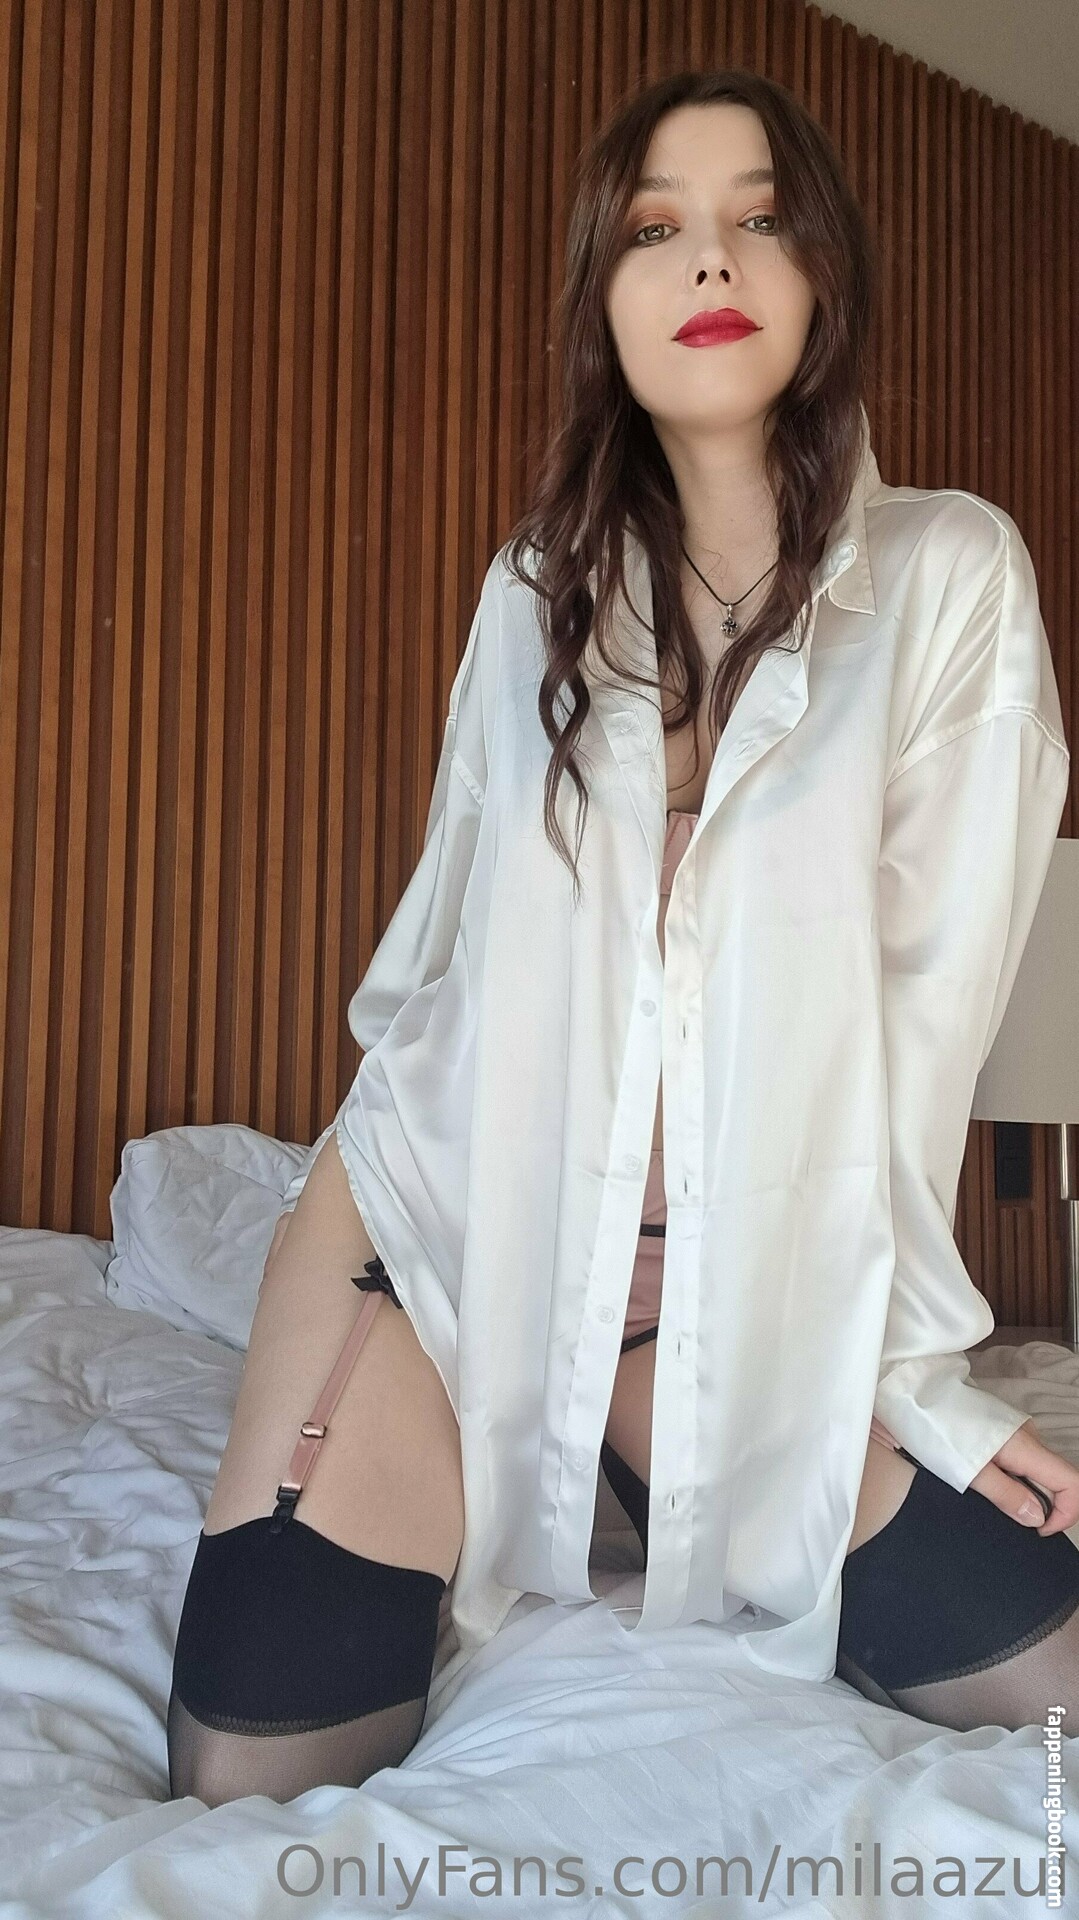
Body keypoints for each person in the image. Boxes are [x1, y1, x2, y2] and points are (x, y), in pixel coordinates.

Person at [167, 69, 1079, 1809]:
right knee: (253, 1757)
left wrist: (919, 1387)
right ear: (606, 294)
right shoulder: (534, 589)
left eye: (760, 216)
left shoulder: (949, 578)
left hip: (742, 1286)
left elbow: (923, 1026)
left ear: (822, 276)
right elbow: (428, 970)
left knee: (1051, 1678)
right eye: (657, 227)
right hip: (452, 1232)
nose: (710, 258)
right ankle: (523, 1425)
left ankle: (621, 1437)